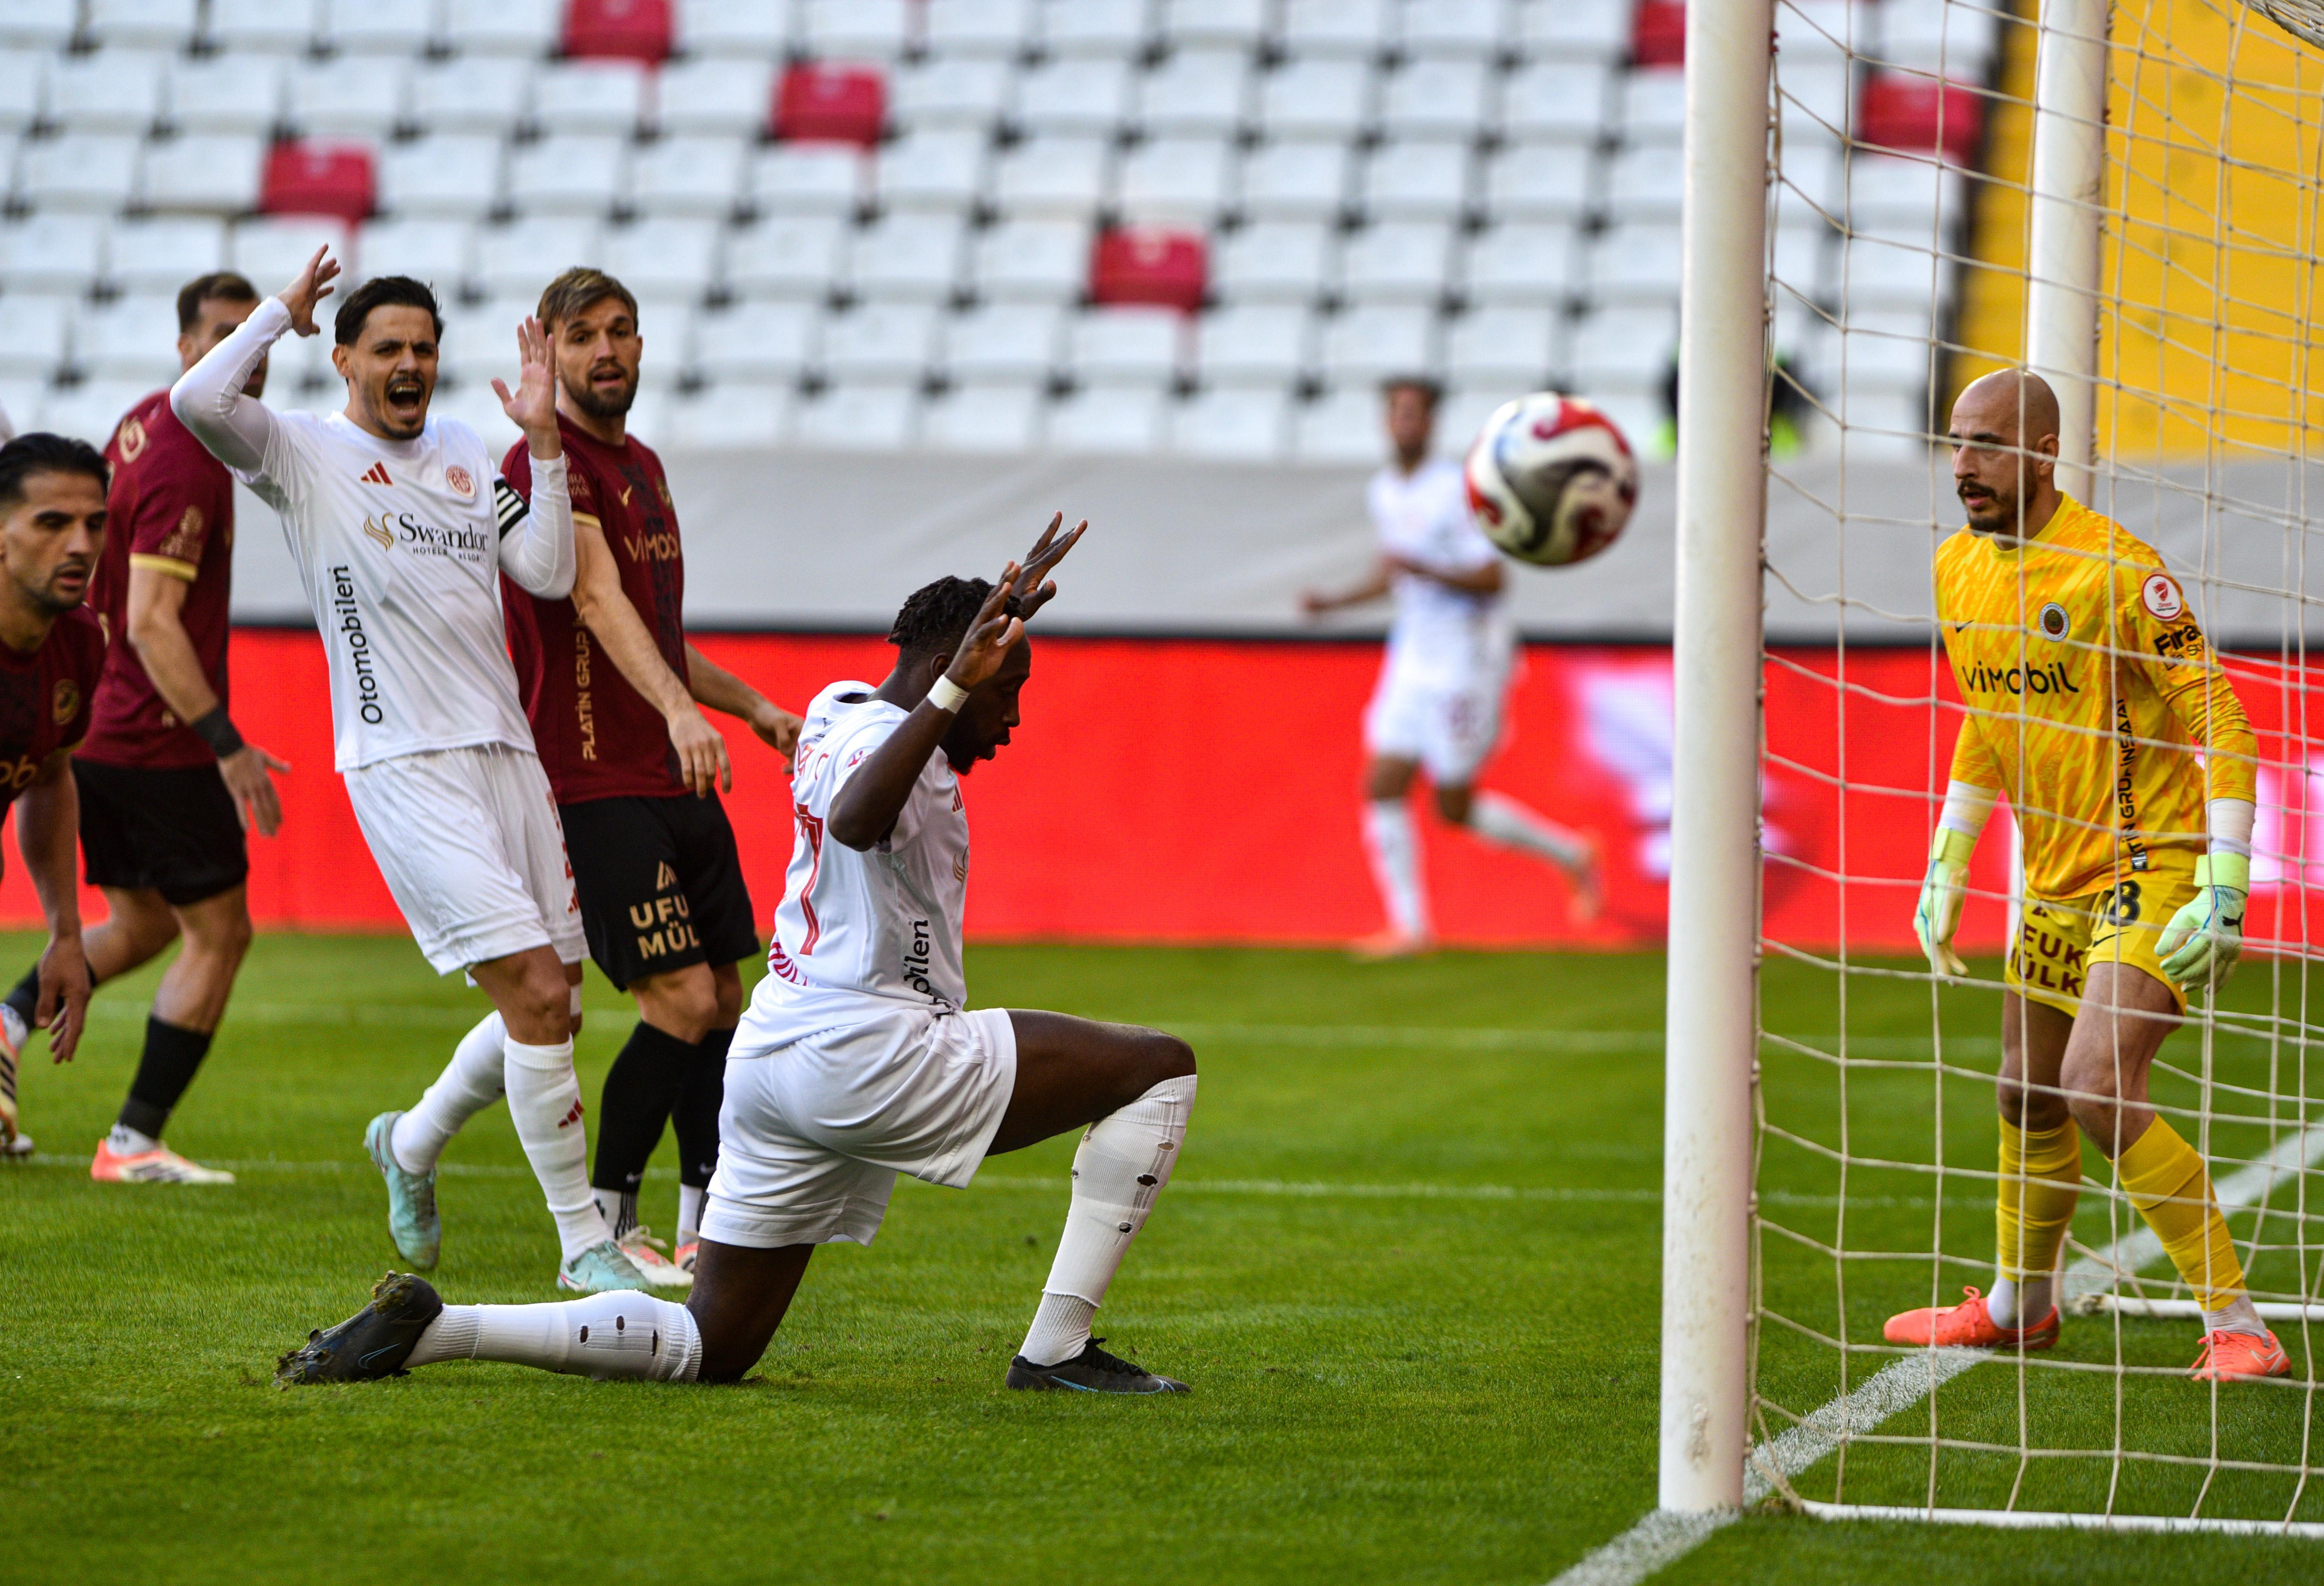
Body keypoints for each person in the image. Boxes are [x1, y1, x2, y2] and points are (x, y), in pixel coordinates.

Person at [278, 521, 1204, 1395]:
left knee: (712, 1343)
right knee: (1159, 1068)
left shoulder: (839, 706)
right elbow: (857, 819)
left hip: (775, 1060)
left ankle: (442, 1330)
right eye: (1006, 691)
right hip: (871, 1053)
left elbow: (876, 766)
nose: (1014, 714)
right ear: (944, 672)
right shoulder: (891, 734)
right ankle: (1057, 1350)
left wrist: (963, 669)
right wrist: (957, 689)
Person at [171, 247, 650, 1293]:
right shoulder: (300, 451)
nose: (409, 365)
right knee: (535, 992)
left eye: (424, 349)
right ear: (343, 359)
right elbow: (195, 400)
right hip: (403, 760)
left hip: (506, 754)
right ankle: (582, 1244)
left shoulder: (470, 451)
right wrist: (278, 313)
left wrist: (543, 443)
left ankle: (410, 1141)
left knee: (557, 1005)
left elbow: (548, 573)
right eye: (387, 347)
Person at [1891, 369, 2284, 1382]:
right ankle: (2019, 1306)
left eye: (1985, 443)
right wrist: (1949, 855)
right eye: (1955, 441)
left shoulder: (2117, 568)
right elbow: (1988, 715)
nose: (1963, 464)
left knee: (2095, 1084)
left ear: (2042, 451)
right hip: (2054, 875)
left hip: (2153, 860)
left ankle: (2240, 1323)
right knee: (2025, 1091)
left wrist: (2225, 881)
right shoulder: (1955, 568)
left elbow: (2221, 717)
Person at [501, 267, 803, 1285]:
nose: (607, 350)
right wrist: (678, 711)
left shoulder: (644, 464)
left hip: (673, 770)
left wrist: (746, 704)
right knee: (677, 998)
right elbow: (593, 600)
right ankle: (607, 1222)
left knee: (723, 997)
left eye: (621, 330)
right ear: (549, 349)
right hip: (595, 776)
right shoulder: (543, 464)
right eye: (583, 333)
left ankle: (701, 1219)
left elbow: (658, 631)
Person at [0, 273, 289, 1184]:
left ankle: (6, 1023)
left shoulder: (144, 424)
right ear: (185, 348)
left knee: (148, 919)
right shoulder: (189, 459)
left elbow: (111, 607)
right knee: (221, 932)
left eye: (255, 337)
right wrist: (225, 743)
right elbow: (154, 621)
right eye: (222, 335)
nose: (242, 354)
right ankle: (133, 1141)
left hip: (94, 720)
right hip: (156, 735)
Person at [1300, 377, 1600, 958]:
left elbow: (1492, 579)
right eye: (1396, 411)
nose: (1404, 421)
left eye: (1414, 412)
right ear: (1384, 422)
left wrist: (1425, 570)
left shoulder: (1455, 491)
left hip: (1466, 660)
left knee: (1453, 807)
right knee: (1381, 783)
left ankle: (1570, 854)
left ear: (1431, 422)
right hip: (1413, 654)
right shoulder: (1385, 490)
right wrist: (1334, 604)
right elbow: (1395, 572)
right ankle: (1411, 928)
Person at [0, 435, 107, 1157]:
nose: (79, 545)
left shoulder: (80, 643)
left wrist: (66, 934)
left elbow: (48, 776)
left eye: (94, 524)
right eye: (51, 523)